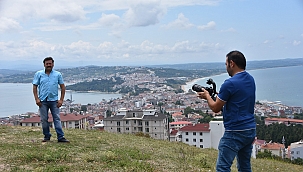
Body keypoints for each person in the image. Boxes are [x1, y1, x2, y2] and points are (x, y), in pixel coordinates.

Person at [197, 50, 256, 171]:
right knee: (244, 166)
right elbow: (238, 98)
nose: (226, 67)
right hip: (250, 129)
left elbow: (215, 108)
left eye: (226, 64)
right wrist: (221, 96)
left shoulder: (229, 83)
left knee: (222, 167)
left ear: (232, 63)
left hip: (235, 130)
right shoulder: (250, 79)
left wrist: (207, 96)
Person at [32, 57, 70, 143]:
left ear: (53, 64)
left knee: (56, 118)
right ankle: (47, 136)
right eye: (47, 64)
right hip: (43, 101)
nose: (49, 65)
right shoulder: (39, 74)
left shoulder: (57, 74)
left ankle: (60, 137)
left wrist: (61, 100)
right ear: (44, 64)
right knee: (44, 119)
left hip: (54, 101)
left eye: (50, 63)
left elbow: (62, 87)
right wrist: (36, 99)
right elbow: (34, 86)